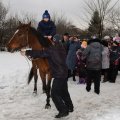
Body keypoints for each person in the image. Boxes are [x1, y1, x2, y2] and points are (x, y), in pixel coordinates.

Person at [20, 34, 74, 118]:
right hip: (64, 74)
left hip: (59, 75)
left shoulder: (52, 50)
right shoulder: (62, 48)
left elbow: (40, 53)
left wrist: (26, 52)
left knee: (54, 94)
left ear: (53, 41)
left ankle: (63, 110)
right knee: (64, 92)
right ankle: (70, 107)